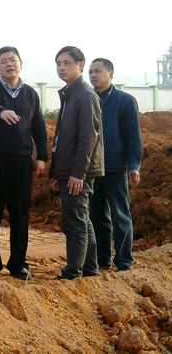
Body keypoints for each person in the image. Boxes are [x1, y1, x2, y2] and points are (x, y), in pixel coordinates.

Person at [0, 46, 48, 281]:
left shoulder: (31, 94)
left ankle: (18, 264)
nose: (9, 64)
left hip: (21, 163)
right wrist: (1, 111)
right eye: (3, 61)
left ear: (21, 64)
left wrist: (42, 157)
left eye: (13, 60)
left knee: (20, 214)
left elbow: (39, 126)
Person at [51, 46, 104, 280]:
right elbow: (62, 138)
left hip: (79, 170)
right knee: (81, 219)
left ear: (80, 65)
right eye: (58, 64)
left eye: (67, 63)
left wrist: (78, 173)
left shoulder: (86, 95)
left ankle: (73, 272)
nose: (61, 68)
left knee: (74, 222)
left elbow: (88, 138)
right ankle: (90, 269)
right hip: (69, 169)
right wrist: (58, 173)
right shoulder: (71, 94)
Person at [88, 58, 142, 271]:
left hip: (116, 167)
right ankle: (102, 259)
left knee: (120, 215)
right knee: (97, 216)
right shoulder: (88, 99)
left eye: (98, 71)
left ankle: (124, 260)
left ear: (110, 74)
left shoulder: (125, 101)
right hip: (92, 168)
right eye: (90, 72)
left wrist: (134, 164)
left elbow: (133, 136)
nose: (93, 75)